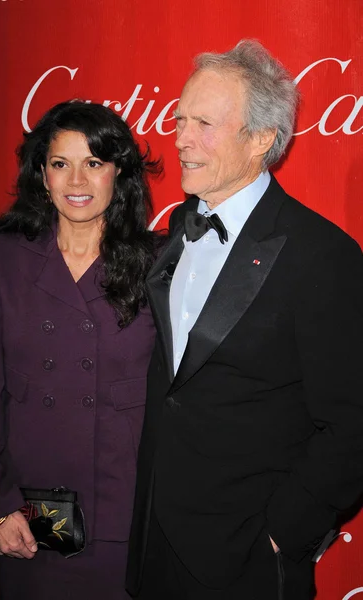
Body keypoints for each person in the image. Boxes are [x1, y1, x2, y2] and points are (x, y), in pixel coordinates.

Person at [126, 40, 363, 600]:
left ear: (260, 140)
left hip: (248, 558)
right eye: (179, 119)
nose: (179, 138)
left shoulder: (322, 255)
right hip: (155, 547)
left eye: (202, 123)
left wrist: (285, 532)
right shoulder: (174, 233)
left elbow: (354, 420)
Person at [0, 100, 162, 600]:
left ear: (118, 173)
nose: (77, 180)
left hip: (125, 512)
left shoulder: (156, 263)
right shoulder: (4, 258)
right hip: (29, 515)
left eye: (93, 163)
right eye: (60, 163)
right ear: (43, 175)